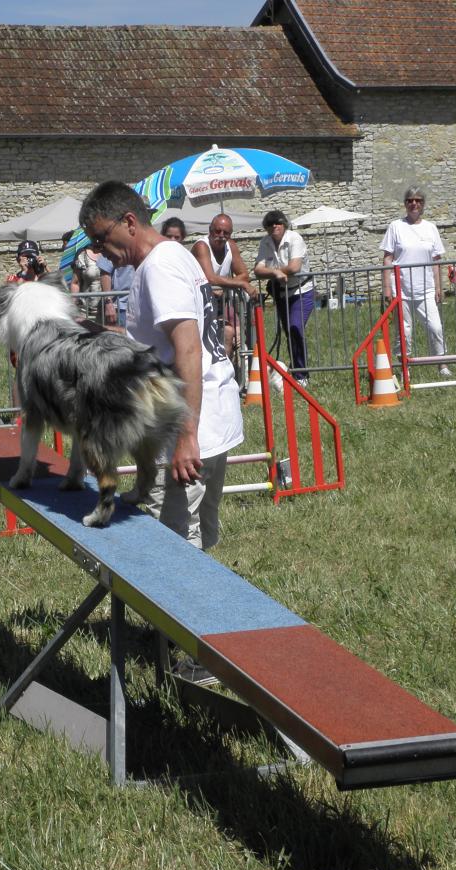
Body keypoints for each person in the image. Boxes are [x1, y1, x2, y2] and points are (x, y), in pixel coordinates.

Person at [80, 180, 243, 686]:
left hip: (190, 424)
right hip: (199, 417)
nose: (100, 251)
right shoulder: (166, 262)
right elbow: (157, 344)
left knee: (178, 543)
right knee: (181, 534)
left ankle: (201, 657)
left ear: (130, 221)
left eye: (103, 237)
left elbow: (188, 349)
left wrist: (187, 435)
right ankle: (185, 637)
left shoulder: (160, 266)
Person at [381, 187, 451, 376]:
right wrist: (387, 287)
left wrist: (439, 286)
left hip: (426, 288)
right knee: (405, 331)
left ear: (423, 204)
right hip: (401, 289)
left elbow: (436, 260)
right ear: (405, 204)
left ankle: (442, 364)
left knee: (435, 326)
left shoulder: (431, 228)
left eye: (418, 200)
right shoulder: (395, 226)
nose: (414, 204)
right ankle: (405, 367)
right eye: (410, 200)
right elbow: (388, 257)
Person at [254, 209, 314, 382]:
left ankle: (302, 374)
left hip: (302, 290)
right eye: (270, 224)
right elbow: (258, 269)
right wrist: (276, 273)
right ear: (266, 228)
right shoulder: (265, 242)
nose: (275, 226)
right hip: (281, 294)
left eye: (278, 222)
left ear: (284, 224)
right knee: (290, 332)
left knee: (295, 327)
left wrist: (272, 272)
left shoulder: (295, 239)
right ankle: (298, 372)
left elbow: (294, 267)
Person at [192, 213, 257, 354]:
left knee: (228, 333)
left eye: (226, 232)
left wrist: (223, 285)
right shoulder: (202, 246)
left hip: (220, 305)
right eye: (218, 231)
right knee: (203, 342)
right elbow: (210, 278)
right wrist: (239, 284)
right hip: (199, 306)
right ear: (210, 230)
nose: (221, 235)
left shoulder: (231, 246)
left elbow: (244, 274)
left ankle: (226, 371)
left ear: (231, 234)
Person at [69, 241, 105, 324]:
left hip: (109, 310)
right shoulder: (82, 254)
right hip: (86, 311)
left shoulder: (114, 251)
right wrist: (73, 307)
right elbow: (75, 282)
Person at [98, 254, 134, 328]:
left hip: (142, 307)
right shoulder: (113, 244)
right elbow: (105, 273)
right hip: (120, 308)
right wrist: (108, 303)